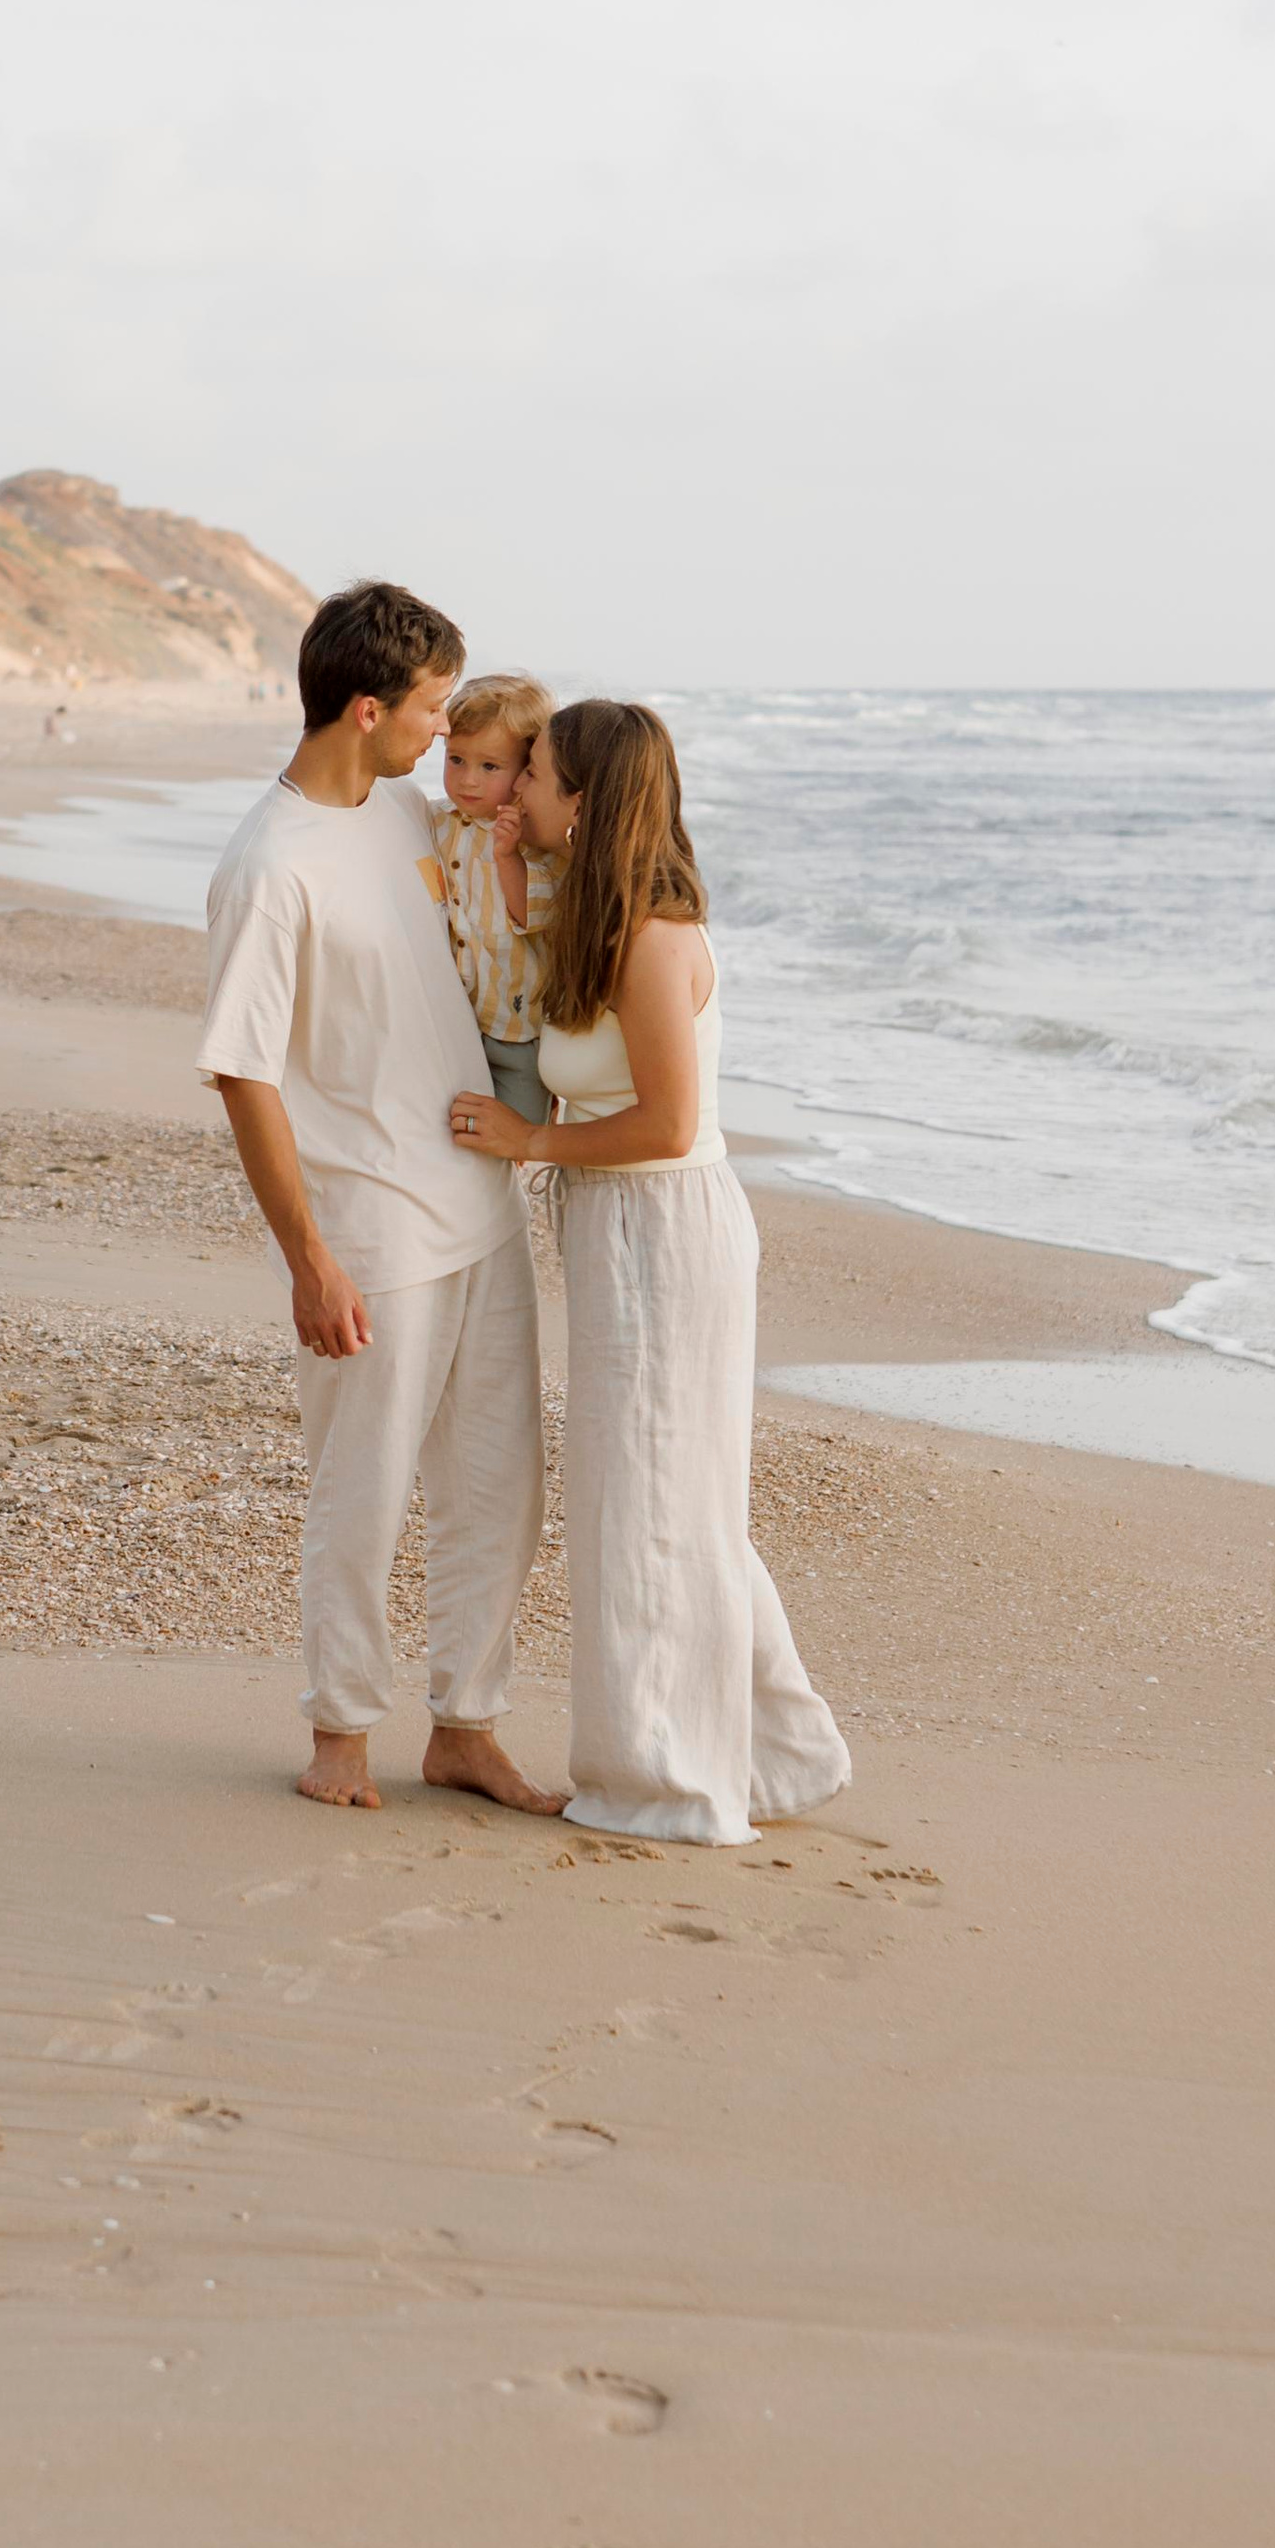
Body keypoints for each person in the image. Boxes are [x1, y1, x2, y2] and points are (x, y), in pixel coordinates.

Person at [450, 699, 851, 1846]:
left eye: (533, 775)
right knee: (670, 1497)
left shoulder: (649, 938)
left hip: (663, 1232)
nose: (515, 789)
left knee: (651, 1502)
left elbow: (669, 1124)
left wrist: (529, 1141)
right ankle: (777, 1753)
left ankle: (665, 1779)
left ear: (585, 801)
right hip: (619, 1227)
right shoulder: (593, 917)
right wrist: (499, 855)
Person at [200, 583, 563, 1816]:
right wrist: (309, 1257)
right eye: (429, 707)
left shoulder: (412, 811)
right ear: (368, 709)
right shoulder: (269, 865)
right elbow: (243, 1072)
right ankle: (341, 1733)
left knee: (497, 1487)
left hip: (479, 1202)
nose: (443, 728)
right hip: (371, 1230)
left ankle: (465, 1726)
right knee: (362, 1491)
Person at [430, 672, 559, 1128]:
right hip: (452, 1020)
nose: (468, 780)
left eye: (490, 767)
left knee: (517, 1131)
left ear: (526, 772)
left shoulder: (535, 837)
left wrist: (507, 856)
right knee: (450, 1127)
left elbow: (532, 913)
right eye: (456, 759)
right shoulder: (435, 821)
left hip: (519, 1029)